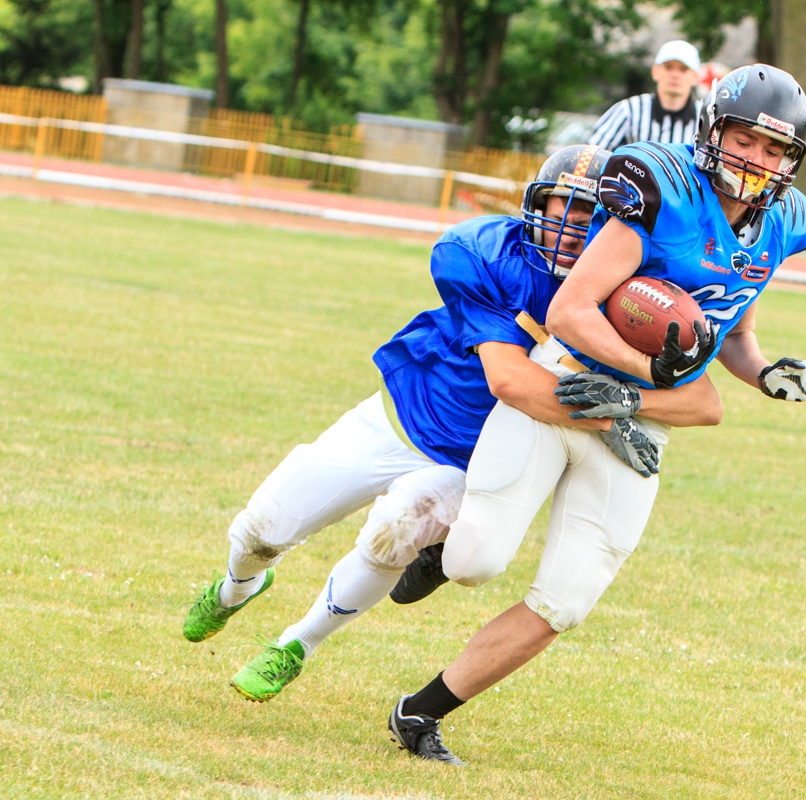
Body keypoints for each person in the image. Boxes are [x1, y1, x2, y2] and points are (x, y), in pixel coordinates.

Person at [384, 64, 806, 765]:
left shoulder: (782, 226)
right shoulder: (664, 190)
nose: (757, 160)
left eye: (775, 150)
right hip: (567, 380)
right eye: (745, 140)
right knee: (478, 562)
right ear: (714, 132)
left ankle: (419, 713)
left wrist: (766, 372)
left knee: (565, 600)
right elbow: (571, 310)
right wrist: (646, 371)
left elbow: (728, 330)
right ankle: (445, 552)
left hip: (638, 417)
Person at [181, 144, 716, 702]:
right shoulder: (485, 252)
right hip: (403, 414)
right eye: (566, 207)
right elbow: (509, 380)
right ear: (538, 204)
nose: (576, 225)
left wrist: (644, 392)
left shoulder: (627, 296)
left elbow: (705, 398)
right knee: (261, 530)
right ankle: (236, 588)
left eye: (592, 214)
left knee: (394, 532)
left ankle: (296, 644)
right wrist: (610, 422)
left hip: (474, 458)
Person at [588, 40, 703, 151]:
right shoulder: (629, 110)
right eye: (668, 67)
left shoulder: (705, 119)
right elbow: (591, 154)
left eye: (683, 69)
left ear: (695, 77)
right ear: (655, 72)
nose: (675, 75)